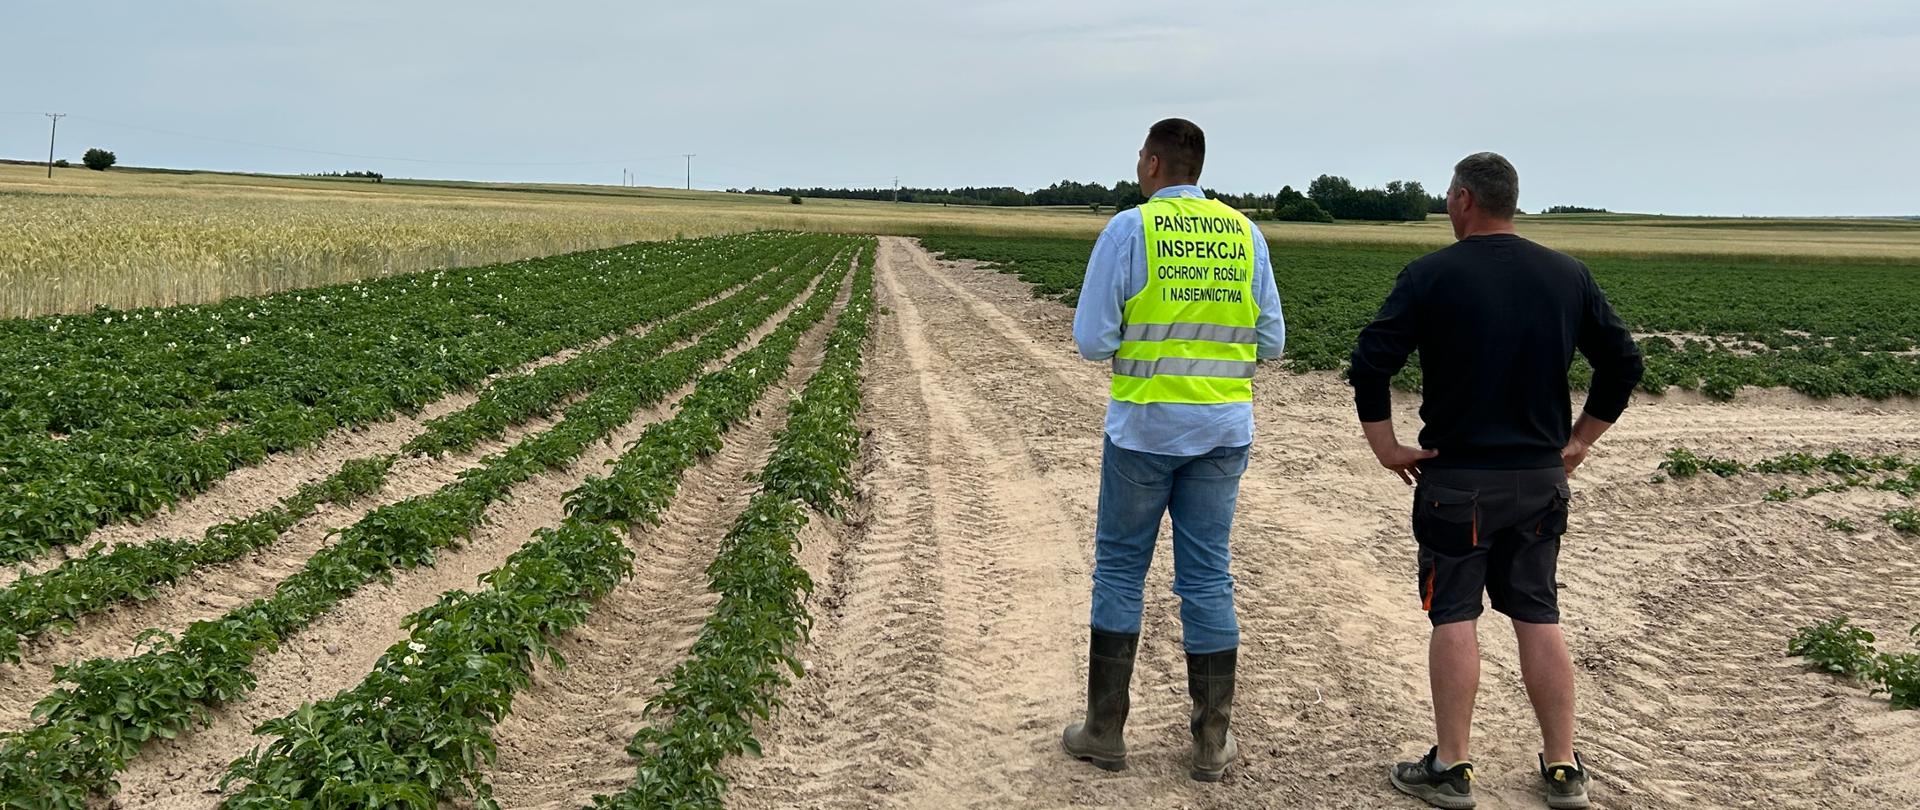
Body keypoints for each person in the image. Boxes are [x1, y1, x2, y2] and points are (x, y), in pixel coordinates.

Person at [1350, 152, 1645, 809]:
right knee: (1539, 615)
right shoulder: (1567, 274)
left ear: (1462, 200)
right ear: (1510, 202)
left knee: (1455, 615)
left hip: (1458, 482)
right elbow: (1623, 363)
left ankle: (1452, 768)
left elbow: (1370, 364)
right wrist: (1579, 441)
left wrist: (1386, 448)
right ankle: (1563, 767)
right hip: (1540, 480)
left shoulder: (1431, 276)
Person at [1061, 117, 1285, 782]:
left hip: (1145, 429)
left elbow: (1092, 340)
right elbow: (1271, 342)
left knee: (1122, 570)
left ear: (1154, 164)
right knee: (1208, 577)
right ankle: (1212, 743)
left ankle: (1104, 731)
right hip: (1222, 431)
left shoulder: (1131, 229)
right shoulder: (1245, 234)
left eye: (1140, 158)